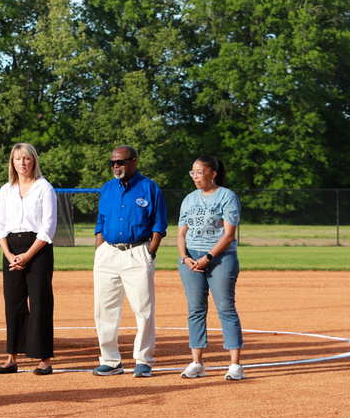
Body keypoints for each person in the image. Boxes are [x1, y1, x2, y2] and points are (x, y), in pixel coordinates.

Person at [92, 145, 167, 377]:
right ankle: (110, 360)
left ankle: (143, 360)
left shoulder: (149, 187)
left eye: (121, 162)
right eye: (113, 163)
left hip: (138, 252)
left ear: (134, 162)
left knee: (143, 309)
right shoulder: (106, 189)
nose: (116, 166)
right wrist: (100, 248)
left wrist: (150, 252)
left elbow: (159, 224)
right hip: (108, 253)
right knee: (104, 309)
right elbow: (100, 222)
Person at [0, 143, 57, 375]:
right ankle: (12, 358)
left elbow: (48, 227)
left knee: (40, 303)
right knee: (14, 303)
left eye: (27, 159)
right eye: (18, 159)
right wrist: (9, 254)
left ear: (34, 161)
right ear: (12, 163)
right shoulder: (5, 190)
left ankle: (44, 360)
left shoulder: (44, 188)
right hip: (11, 247)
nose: (22, 163)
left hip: (38, 249)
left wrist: (28, 256)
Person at [177, 155, 244, 381]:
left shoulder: (227, 196)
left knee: (226, 308)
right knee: (195, 310)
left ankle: (235, 365)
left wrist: (208, 257)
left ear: (212, 174)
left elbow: (229, 235)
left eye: (200, 172)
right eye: (192, 172)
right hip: (191, 259)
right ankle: (197, 363)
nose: (195, 176)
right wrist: (184, 257)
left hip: (221, 258)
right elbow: (181, 233)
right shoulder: (189, 199)